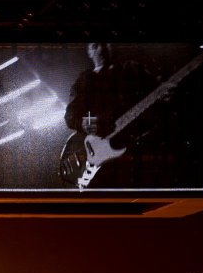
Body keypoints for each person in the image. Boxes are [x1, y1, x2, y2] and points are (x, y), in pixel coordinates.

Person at [60, 42, 162, 188]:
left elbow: (157, 91)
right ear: (88, 52)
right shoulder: (84, 80)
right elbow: (72, 115)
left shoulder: (131, 69)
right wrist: (85, 122)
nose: (101, 49)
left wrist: (165, 96)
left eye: (105, 43)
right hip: (102, 158)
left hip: (136, 151)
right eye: (95, 45)